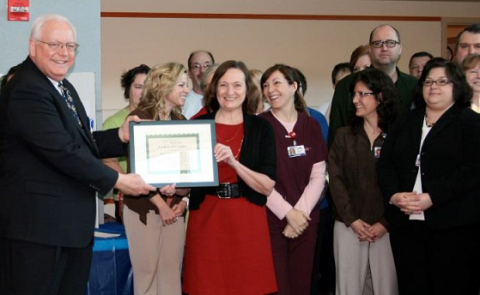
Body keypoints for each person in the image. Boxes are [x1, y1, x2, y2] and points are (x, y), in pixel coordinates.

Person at [0, 14, 154, 295]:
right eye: (55, 44)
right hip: (39, 231)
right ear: (32, 46)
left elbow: (80, 143)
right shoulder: (27, 88)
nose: (64, 53)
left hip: (68, 228)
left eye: (71, 46)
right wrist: (118, 181)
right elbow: (62, 151)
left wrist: (119, 135)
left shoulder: (61, 87)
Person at [377, 58, 480, 295]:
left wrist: (432, 196)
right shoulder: (405, 121)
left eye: (442, 81)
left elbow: (472, 170)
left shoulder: (470, 122)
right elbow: (385, 165)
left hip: (454, 226)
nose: (434, 86)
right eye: (428, 81)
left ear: (457, 86)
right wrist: (394, 195)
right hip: (406, 226)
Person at [183, 60, 277, 295]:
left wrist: (234, 163)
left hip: (247, 220)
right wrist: (170, 186)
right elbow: (186, 184)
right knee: (205, 286)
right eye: (223, 85)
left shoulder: (261, 128)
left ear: (247, 89)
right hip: (207, 219)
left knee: (249, 286)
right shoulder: (197, 125)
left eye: (237, 85)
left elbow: (266, 186)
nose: (230, 92)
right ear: (214, 90)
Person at [328, 68, 399, 295]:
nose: (355, 100)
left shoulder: (399, 134)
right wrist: (352, 219)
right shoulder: (344, 135)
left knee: (386, 287)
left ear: (380, 96)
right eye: (354, 95)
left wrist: (385, 222)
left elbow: (405, 181)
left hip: (387, 227)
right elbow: (335, 179)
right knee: (347, 288)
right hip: (349, 225)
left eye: (362, 94)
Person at [260, 64, 327, 295]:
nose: (270, 90)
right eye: (266, 85)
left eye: (277, 83)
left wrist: (299, 214)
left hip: (305, 220)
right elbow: (258, 179)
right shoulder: (259, 126)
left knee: (301, 285)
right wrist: (288, 214)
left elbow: (318, 176)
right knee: (277, 286)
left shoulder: (311, 125)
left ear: (294, 86)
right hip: (271, 218)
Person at [123, 62, 190, 295]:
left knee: (171, 275)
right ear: (164, 86)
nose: (187, 90)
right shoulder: (139, 118)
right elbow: (136, 172)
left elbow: (188, 170)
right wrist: (162, 205)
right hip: (145, 209)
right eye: (181, 84)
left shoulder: (181, 121)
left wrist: (181, 197)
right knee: (147, 276)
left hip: (175, 211)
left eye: (187, 85)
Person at [329, 24, 417, 146]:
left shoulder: (414, 86)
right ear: (370, 49)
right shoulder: (346, 85)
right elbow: (335, 135)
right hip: (356, 159)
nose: (384, 48)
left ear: (400, 49)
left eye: (390, 42)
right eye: (378, 43)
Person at [102, 64, 150, 221]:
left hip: (159, 194)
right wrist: (130, 182)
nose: (143, 92)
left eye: (147, 87)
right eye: (138, 86)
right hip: (127, 195)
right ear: (128, 89)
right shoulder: (113, 122)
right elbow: (107, 160)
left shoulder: (159, 118)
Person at [182, 50, 215, 119]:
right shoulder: (181, 102)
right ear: (189, 73)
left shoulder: (224, 99)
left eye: (207, 65)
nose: (202, 70)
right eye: (196, 66)